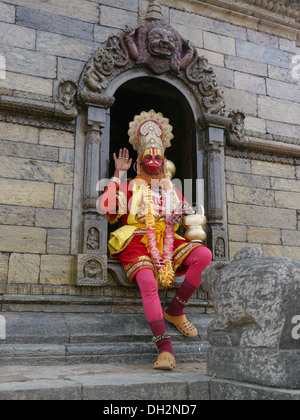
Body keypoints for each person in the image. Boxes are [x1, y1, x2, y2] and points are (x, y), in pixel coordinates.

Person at [99, 110, 212, 370]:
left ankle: (175, 310)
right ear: (139, 162)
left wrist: (183, 215)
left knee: (204, 256)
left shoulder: (171, 189)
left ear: (163, 162)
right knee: (148, 283)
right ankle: (165, 349)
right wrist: (118, 173)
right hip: (136, 242)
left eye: (157, 157)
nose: (153, 160)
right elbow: (108, 210)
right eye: (147, 156)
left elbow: (189, 219)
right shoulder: (129, 185)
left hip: (168, 241)